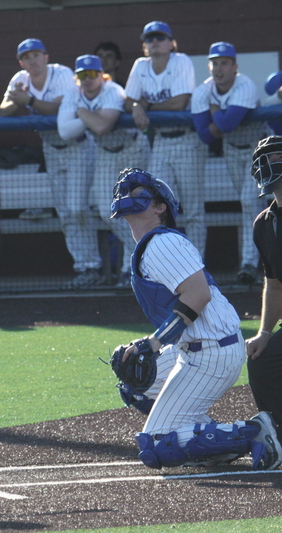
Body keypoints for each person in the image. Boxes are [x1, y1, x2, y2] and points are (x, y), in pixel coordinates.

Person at [110, 167, 281, 471]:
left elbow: (197, 296)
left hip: (211, 351)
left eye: (139, 194)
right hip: (194, 347)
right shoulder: (153, 244)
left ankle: (255, 432)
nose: (129, 196)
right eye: (127, 193)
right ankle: (211, 443)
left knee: (158, 444)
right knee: (135, 380)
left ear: (160, 207)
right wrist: (147, 347)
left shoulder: (161, 243)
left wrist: (152, 343)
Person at [58, 54, 149, 288]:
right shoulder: (73, 94)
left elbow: (101, 126)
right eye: (82, 75)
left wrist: (80, 113)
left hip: (132, 150)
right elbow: (64, 132)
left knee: (134, 209)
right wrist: (87, 115)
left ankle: (132, 269)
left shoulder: (113, 91)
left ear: (101, 75)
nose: (87, 79)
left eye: (91, 74)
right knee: (104, 209)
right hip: (105, 154)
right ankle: (140, 251)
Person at [123, 21, 206, 274]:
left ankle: (198, 265)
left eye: (160, 38)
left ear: (171, 43)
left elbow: (180, 103)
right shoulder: (140, 65)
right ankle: (165, 264)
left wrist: (146, 106)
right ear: (144, 45)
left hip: (187, 140)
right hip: (160, 141)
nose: (155, 42)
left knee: (192, 209)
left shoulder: (181, 61)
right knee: (157, 204)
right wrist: (137, 106)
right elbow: (128, 101)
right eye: (150, 39)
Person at [0, 38, 80, 281]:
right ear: (21, 62)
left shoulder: (62, 74)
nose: (31, 60)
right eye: (26, 57)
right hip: (51, 148)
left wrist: (29, 101)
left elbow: (59, 109)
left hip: (79, 146)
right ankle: (85, 267)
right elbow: (3, 110)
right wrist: (18, 99)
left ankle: (101, 265)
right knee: (66, 213)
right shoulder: (20, 78)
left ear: (46, 57)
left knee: (79, 210)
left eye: (36, 55)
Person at [192, 42, 270, 285]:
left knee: (250, 204)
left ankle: (249, 262)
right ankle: (255, 260)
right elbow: (204, 135)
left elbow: (225, 126)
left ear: (234, 66)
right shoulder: (204, 90)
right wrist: (220, 115)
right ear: (209, 66)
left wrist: (215, 110)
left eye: (224, 63)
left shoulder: (244, 84)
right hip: (231, 152)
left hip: (258, 151)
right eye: (215, 63)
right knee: (249, 208)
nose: (219, 68)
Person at [244, 136, 282, 439]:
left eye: (275, 157)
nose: (267, 164)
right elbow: (274, 285)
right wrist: (265, 333)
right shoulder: (265, 224)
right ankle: (277, 435)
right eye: (263, 159)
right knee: (262, 359)